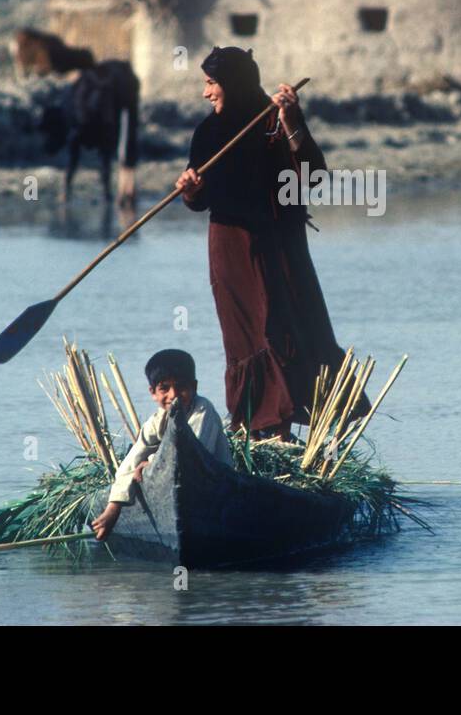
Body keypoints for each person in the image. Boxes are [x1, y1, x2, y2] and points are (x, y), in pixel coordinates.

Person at [175, 46, 352, 439]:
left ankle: (291, 429)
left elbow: (314, 177)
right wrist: (189, 188)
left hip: (279, 245)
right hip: (232, 248)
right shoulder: (208, 132)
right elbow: (201, 201)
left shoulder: (273, 123)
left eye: (211, 83)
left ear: (233, 83)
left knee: (287, 324)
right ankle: (257, 428)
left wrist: (291, 119)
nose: (206, 93)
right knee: (245, 336)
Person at [89, 349, 232, 541]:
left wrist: (151, 462)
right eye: (164, 388)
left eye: (181, 387)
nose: (173, 395)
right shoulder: (158, 419)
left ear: (194, 387)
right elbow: (131, 462)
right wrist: (113, 508)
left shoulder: (202, 410)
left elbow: (193, 455)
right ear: (153, 393)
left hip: (213, 486)